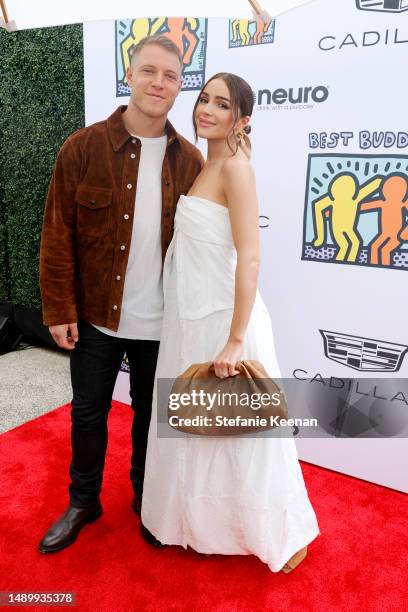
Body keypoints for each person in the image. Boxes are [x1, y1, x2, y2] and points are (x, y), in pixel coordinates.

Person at [141, 72, 320, 573]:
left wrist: (236, 339)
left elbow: (251, 258)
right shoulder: (205, 165)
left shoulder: (236, 169)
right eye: (203, 99)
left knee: (243, 431)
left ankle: (275, 531)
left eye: (221, 105)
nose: (206, 110)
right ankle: (197, 522)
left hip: (224, 320)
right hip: (192, 316)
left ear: (242, 119)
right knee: (197, 425)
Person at [38, 35, 204, 553]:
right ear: (129, 75)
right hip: (95, 319)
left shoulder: (191, 161)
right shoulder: (82, 147)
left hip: (164, 324)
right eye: (149, 71)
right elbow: (57, 233)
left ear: (181, 87)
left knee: (151, 420)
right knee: (87, 414)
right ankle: (83, 500)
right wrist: (59, 308)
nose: (159, 83)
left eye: (171, 76)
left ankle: (146, 501)